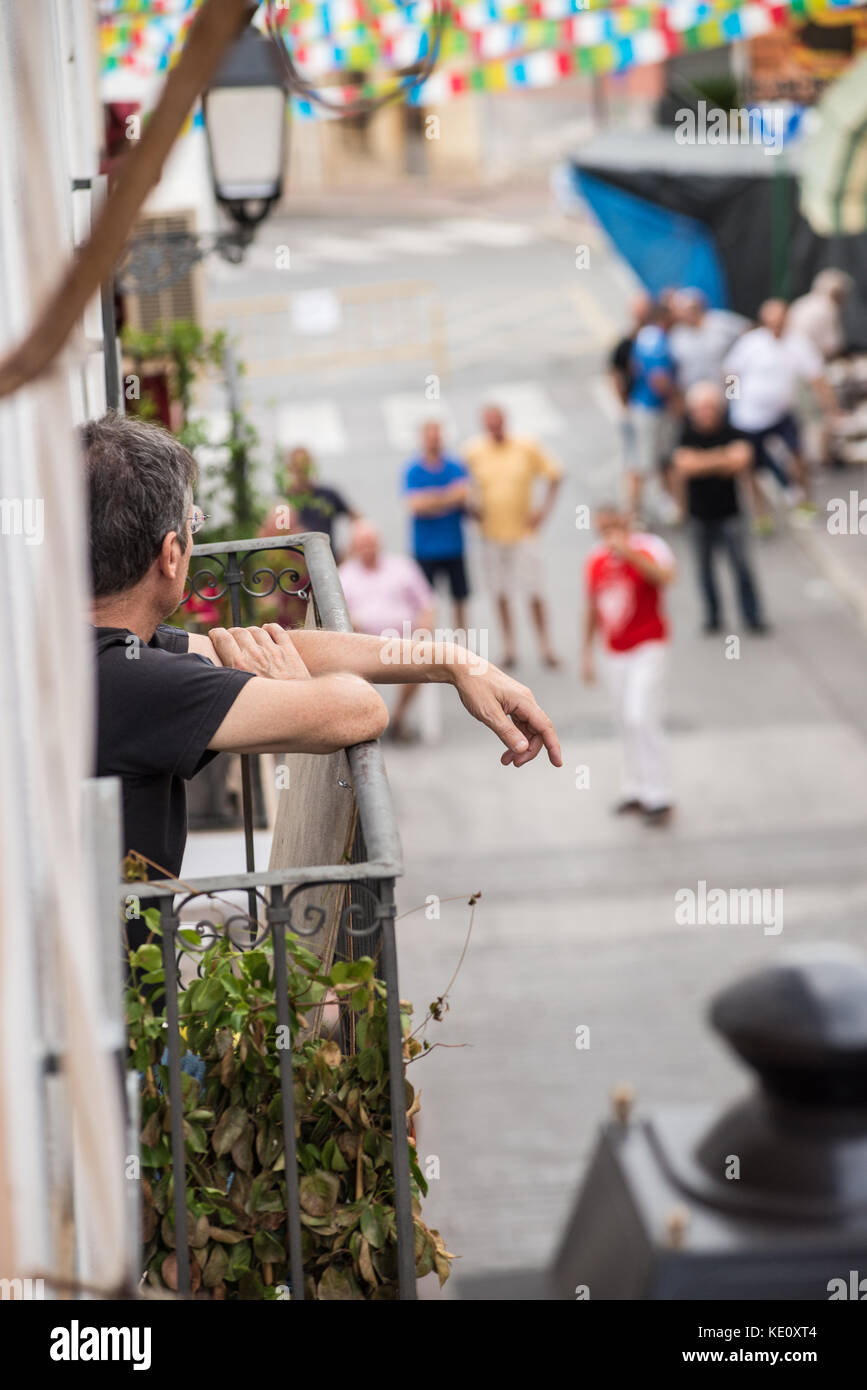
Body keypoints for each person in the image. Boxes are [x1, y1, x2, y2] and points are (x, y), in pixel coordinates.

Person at [84, 413, 563, 951]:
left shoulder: (107, 647)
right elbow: (359, 710)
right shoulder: (134, 682)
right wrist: (295, 690)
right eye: (194, 525)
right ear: (171, 555)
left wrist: (454, 662)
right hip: (124, 1019)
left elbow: (282, 646)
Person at [581, 505, 676, 826]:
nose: (608, 535)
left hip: (648, 644)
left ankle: (659, 793)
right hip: (615, 650)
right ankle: (636, 788)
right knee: (623, 719)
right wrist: (586, 653)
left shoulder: (650, 547)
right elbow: (592, 607)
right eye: (602, 529)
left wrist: (630, 554)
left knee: (641, 714)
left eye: (613, 527)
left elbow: (666, 578)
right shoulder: (594, 559)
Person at [463, 404, 563, 669]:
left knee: (534, 590)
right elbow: (464, 485)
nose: (494, 427)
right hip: (490, 533)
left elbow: (555, 474)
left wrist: (544, 510)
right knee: (499, 592)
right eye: (489, 423)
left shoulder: (526, 446)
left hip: (523, 533)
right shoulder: (473, 451)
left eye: (497, 422)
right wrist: (471, 508)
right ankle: (510, 646)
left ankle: (545, 644)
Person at [723, 299, 837, 529]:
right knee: (750, 469)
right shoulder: (751, 343)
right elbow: (731, 372)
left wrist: (830, 409)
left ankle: (804, 501)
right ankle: (761, 515)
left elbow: (817, 378)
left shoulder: (799, 344)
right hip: (748, 418)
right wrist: (732, 402)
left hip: (780, 413)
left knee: (798, 456)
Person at [673, 382, 767, 635]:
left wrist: (703, 461)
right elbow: (684, 466)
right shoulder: (685, 434)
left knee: (741, 567)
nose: (706, 413)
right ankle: (713, 616)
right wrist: (722, 459)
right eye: (701, 408)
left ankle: (752, 615)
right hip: (698, 514)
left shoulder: (733, 431)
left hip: (730, 513)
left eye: (710, 408)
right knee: (704, 570)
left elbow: (742, 460)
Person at [338, 520, 436, 741]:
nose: (368, 548)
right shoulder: (344, 575)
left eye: (371, 542)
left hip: (405, 639)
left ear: (380, 542)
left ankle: (398, 717)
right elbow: (338, 617)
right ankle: (376, 719)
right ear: (353, 547)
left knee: (422, 657)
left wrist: (425, 627)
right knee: (349, 664)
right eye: (362, 543)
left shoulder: (403, 566)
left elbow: (427, 603)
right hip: (363, 643)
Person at [403, 420, 470, 633]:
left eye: (437, 437)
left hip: (453, 545)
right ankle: (428, 647)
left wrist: (432, 500)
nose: (434, 442)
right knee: (425, 602)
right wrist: (449, 497)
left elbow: (466, 496)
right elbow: (415, 505)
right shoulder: (413, 470)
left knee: (459, 599)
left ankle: (462, 645)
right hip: (426, 548)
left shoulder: (455, 466)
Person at [624, 302, 679, 520]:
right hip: (652, 410)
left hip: (645, 405)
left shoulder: (646, 336)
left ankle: (665, 502)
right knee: (644, 463)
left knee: (660, 458)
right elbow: (659, 379)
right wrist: (676, 401)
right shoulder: (657, 341)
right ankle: (635, 513)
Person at [262, 445, 358, 551]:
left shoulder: (327, 495)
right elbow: (278, 537)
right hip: (296, 564)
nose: (301, 473)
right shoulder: (283, 503)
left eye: (304, 467)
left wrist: (351, 551)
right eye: (297, 468)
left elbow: (357, 519)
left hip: (328, 561)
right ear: (289, 469)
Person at [668, 288, 749, 392]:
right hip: (694, 394)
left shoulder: (721, 321)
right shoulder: (676, 334)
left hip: (728, 387)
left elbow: (749, 331)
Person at [786, 269, 854, 363]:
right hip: (809, 360)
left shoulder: (802, 302)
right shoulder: (828, 307)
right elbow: (832, 345)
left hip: (791, 356)